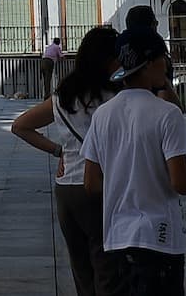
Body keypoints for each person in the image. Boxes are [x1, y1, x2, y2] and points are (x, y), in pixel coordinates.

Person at [82, 28, 186, 296]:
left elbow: (91, 182)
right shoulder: (167, 114)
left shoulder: (103, 115)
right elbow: (180, 182)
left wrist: (124, 181)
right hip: (160, 236)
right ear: (149, 64)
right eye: (163, 59)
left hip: (118, 236)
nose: (166, 66)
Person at [10, 25, 118, 296]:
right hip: (101, 187)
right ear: (107, 59)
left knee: (81, 270)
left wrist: (58, 151)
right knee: (107, 267)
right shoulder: (115, 97)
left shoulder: (62, 97)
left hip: (67, 189)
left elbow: (20, 126)